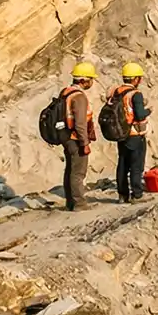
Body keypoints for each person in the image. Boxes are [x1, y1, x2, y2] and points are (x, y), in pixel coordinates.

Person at [113, 62, 151, 203]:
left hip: (121, 134)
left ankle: (122, 195)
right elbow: (140, 115)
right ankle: (137, 194)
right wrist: (149, 111)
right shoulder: (135, 95)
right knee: (136, 165)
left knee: (122, 164)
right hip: (134, 134)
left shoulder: (117, 92)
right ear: (136, 79)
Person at [61, 62, 96, 210]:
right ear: (83, 80)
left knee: (70, 170)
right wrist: (85, 143)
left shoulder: (65, 92)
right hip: (76, 138)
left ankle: (70, 202)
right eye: (90, 79)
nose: (92, 82)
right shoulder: (79, 97)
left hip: (66, 137)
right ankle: (79, 203)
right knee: (78, 173)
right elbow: (80, 123)